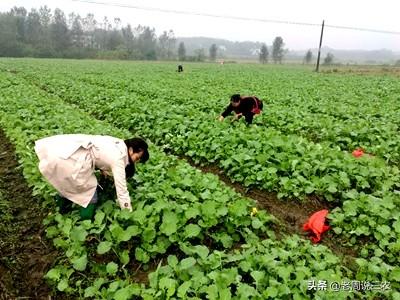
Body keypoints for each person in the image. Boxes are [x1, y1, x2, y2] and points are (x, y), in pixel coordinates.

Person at [34, 134, 149, 219]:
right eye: (137, 158)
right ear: (130, 150)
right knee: (90, 194)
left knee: (67, 186)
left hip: (65, 151)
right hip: (74, 161)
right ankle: (86, 223)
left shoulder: (117, 143)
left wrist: (103, 169)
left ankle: (61, 211)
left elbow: (101, 155)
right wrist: (127, 212)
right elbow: (122, 191)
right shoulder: (118, 159)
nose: (135, 162)